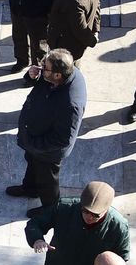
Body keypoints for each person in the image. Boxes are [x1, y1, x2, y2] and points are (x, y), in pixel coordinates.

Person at [9, 49, 87, 215]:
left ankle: (50, 210)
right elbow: (40, 85)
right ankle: (30, 189)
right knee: (32, 163)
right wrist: (31, 76)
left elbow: (62, 139)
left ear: (57, 75)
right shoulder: (59, 75)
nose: (41, 67)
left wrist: (33, 144)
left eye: (45, 67)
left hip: (47, 150)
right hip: (35, 137)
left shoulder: (70, 104)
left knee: (47, 180)